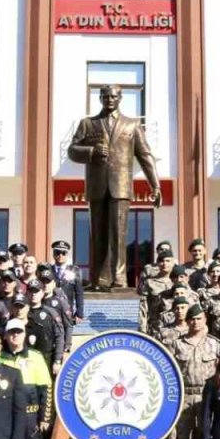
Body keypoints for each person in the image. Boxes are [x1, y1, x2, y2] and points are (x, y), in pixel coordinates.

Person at [67, 84, 162, 290]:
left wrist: (155, 185)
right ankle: (99, 279)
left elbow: (145, 155)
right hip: (97, 186)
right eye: (105, 96)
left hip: (120, 187)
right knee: (98, 235)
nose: (109, 99)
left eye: (113, 96)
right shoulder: (88, 123)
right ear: (100, 98)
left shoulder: (132, 125)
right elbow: (72, 150)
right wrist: (91, 152)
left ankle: (119, 278)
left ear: (120, 98)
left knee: (118, 235)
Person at [0, 319, 53, 439]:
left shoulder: (35, 357)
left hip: (30, 417)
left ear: (24, 334)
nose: (15, 336)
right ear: (5, 335)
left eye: (18, 332)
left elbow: (45, 388)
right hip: (6, 418)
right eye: (11, 332)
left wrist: (44, 418)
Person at [170, 305, 220, 439]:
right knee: (183, 437)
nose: (195, 322)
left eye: (199, 318)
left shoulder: (214, 344)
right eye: (192, 319)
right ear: (187, 321)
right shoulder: (177, 344)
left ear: (205, 319)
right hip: (185, 396)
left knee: (206, 435)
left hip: (206, 396)